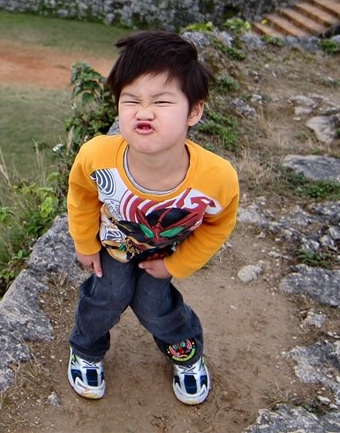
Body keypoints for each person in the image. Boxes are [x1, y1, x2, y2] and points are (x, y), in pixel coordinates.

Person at [65, 30, 239, 406]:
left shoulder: (216, 178)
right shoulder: (98, 155)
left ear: (194, 110)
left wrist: (179, 262)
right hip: (112, 248)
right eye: (131, 100)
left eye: (161, 101)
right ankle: (87, 349)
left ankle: (186, 354)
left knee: (157, 308)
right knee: (104, 300)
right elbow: (81, 193)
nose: (143, 112)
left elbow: (218, 224)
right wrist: (84, 242)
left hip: (163, 256)